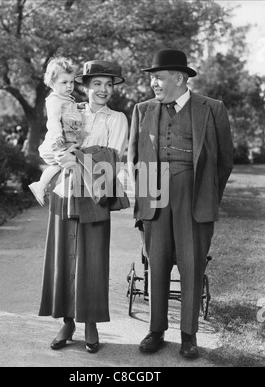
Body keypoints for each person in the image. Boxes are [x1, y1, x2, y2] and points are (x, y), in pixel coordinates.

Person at [128, 48, 233, 359]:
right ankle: (156, 330)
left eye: (159, 78)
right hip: (154, 193)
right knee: (156, 262)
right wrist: (143, 194)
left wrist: (208, 194)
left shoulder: (212, 109)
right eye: (153, 80)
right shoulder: (142, 109)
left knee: (191, 264)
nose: (154, 85)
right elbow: (133, 158)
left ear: (180, 78)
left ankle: (189, 335)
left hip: (194, 194)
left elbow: (225, 160)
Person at [38, 60, 129, 353]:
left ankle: (90, 323)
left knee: (93, 260)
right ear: (85, 86)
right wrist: (60, 157)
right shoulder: (70, 110)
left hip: (95, 195)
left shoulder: (117, 119)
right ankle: (67, 322)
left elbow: (111, 159)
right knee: (63, 256)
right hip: (66, 192)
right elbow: (47, 148)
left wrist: (76, 157)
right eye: (97, 84)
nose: (103, 90)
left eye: (108, 84)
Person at [29, 57, 85, 206]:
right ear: (52, 83)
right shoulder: (54, 99)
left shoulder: (66, 99)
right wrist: (58, 136)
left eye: (71, 82)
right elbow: (53, 120)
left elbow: (69, 111)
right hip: (59, 141)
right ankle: (63, 187)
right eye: (64, 82)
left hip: (68, 139)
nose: (69, 86)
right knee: (74, 161)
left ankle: (41, 185)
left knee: (59, 165)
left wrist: (78, 107)